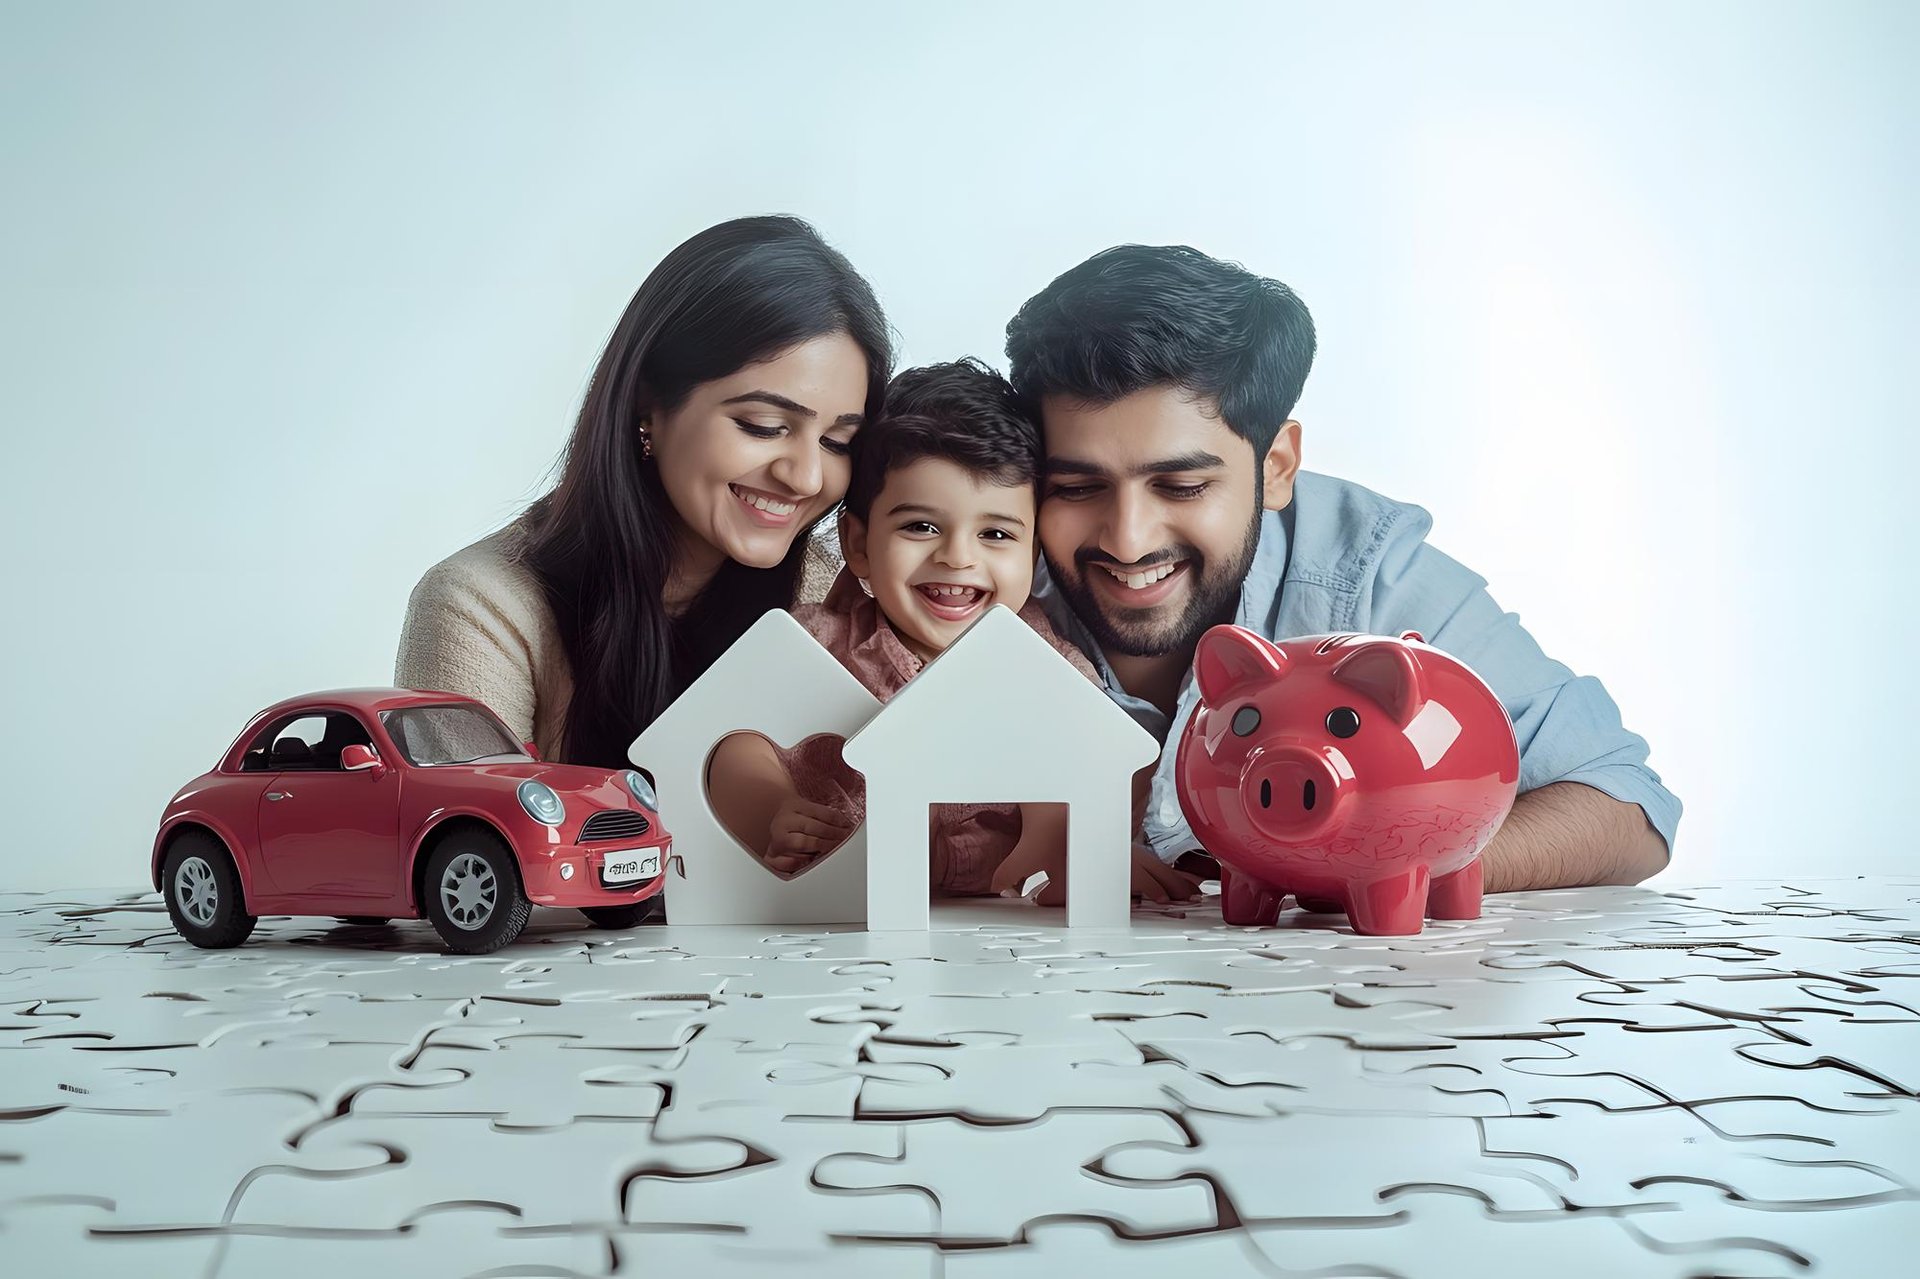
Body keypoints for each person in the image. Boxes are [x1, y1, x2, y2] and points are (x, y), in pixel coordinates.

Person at [992, 244, 1679, 900]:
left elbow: (1627, 802)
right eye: (1077, 488)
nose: (1128, 539)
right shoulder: (975, 572)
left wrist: (1387, 869)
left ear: (1277, 465)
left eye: (1180, 485)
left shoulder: (1370, 574)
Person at [395, 216, 892, 771]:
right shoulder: (482, 608)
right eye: (762, 425)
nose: (804, 478)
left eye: (837, 441)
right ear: (648, 404)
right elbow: (478, 841)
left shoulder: (829, 597)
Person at [706, 360, 1203, 903]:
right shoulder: (812, 644)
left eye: (995, 532)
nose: (958, 557)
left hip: (996, 925)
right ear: (859, 545)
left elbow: (1102, 763)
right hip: (839, 911)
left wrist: (1085, 845)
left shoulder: (1051, 665)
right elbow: (728, 740)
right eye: (921, 526)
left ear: (1032, 553)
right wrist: (771, 809)